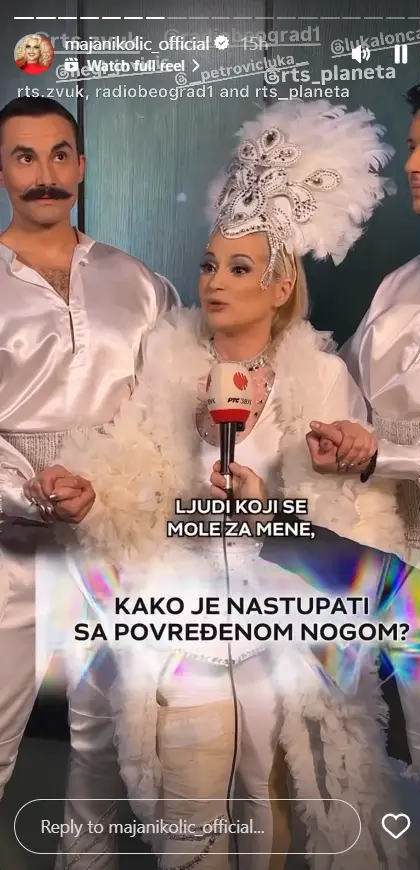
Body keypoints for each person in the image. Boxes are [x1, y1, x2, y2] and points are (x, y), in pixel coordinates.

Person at [55, 100, 414, 869]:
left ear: (279, 287)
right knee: (188, 805)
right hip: (183, 620)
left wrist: (272, 507)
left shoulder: (322, 380)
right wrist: (90, 497)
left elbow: (356, 531)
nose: (215, 281)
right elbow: (131, 484)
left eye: (239, 268)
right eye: (209, 264)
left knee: (268, 797)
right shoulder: (165, 364)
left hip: (279, 623)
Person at [307, 73, 420, 870]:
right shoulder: (397, 286)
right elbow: (348, 401)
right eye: (412, 146)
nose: (411, 163)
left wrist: (386, 454)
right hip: (405, 561)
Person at [0, 95, 180, 867]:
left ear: (81, 163)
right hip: (8, 545)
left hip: (112, 538)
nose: (45, 174)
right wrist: (30, 492)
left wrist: (104, 491)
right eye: (24, 156)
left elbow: (167, 410)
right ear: (2, 170)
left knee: (105, 736)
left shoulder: (137, 281)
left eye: (59, 154)